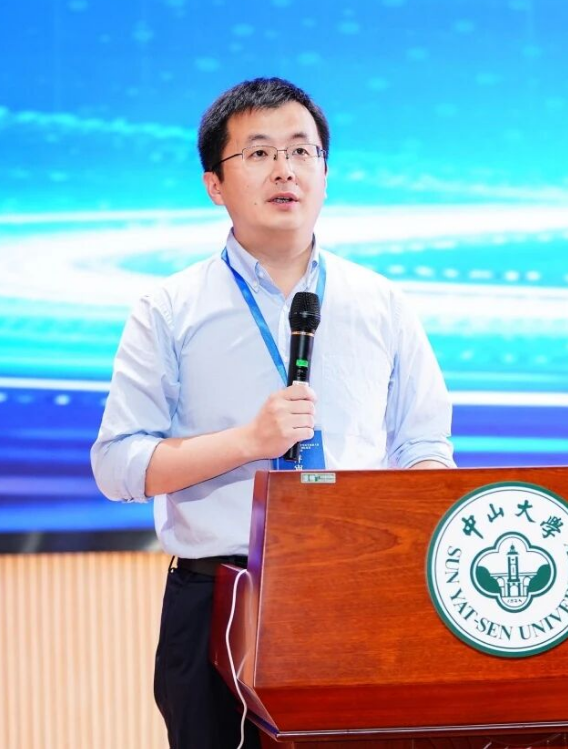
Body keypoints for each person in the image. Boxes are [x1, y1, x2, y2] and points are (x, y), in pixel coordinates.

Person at [91, 77, 455, 749]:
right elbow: (117, 465)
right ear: (214, 184)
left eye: (301, 151)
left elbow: (424, 445)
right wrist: (248, 441)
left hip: (361, 588)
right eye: (258, 153)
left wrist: (413, 529)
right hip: (221, 596)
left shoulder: (381, 302)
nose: (285, 169)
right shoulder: (169, 309)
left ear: (325, 173)